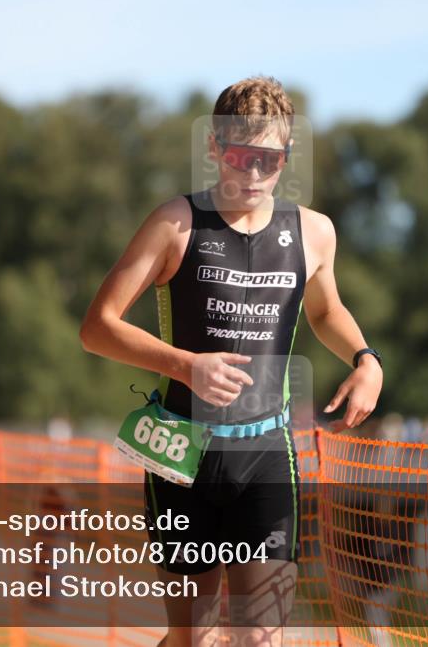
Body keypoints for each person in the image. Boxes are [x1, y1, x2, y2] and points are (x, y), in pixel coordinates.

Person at [80, 76, 383, 647]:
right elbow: (98, 327)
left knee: (259, 638)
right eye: (239, 156)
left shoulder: (313, 233)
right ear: (215, 149)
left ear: (286, 157)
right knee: (193, 638)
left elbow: (326, 311)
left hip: (265, 455)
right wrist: (184, 365)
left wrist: (366, 359)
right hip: (182, 453)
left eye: (267, 160)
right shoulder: (176, 223)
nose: (251, 174)